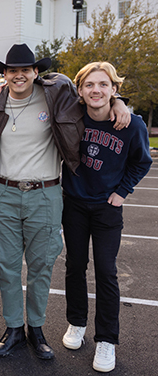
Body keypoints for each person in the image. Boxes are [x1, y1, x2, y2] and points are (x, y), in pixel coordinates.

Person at [0, 44, 130, 360]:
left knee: (41, 265)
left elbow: (94, 97)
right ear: (3, 75)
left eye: (25, 70)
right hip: (3, 193)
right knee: (6, 265)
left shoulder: (57, 97)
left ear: (36, 72)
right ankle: (13, 330)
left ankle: (36, 328)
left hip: (45, 194)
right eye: (11, 71)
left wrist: (118, 102)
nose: (18, 75)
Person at [60, 62, 151, 373]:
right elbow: (44, 87)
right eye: (89, 85)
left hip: (106, 208)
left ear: (114, 89)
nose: (95, 90)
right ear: (81, 91)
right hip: (73, 203)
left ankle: (107, 339)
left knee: (106, 271)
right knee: (74, 265)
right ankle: (76, 323)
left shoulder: (131, 124)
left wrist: (122, 192)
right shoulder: (72, 116)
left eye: (103, 84)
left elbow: (142, 162)